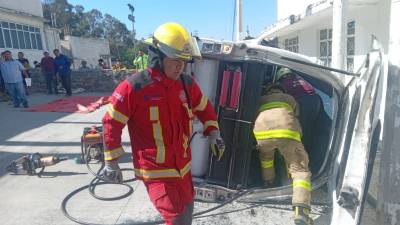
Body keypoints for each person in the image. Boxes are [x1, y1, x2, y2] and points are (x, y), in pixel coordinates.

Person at [101, 22, 225, 225]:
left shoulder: (186, 84)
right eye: (175, 60)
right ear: (158, 57)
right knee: (175, 218)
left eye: (184, 61)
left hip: (184, 168)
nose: (180, 66)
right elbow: (111, 123)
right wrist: (111, 163)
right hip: (156, 172)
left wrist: (214, 133)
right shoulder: (133, 88)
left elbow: (205, 108)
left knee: (187, 212)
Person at [253, 84, 312, 225]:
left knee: (267, 159)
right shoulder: (289, 98)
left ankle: (269, 183)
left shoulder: (260, 100)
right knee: (300, 170)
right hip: (287, 134)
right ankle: (301, 213)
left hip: (262, 135)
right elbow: (296, 115)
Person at [275, 67, 321, 152]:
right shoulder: (300, 79)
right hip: (316, 101)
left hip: (303, 102)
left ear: (281, 77)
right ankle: (308, 149)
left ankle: (301, 152)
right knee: (309, 126)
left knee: (300, 128)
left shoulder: (283, 84)